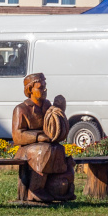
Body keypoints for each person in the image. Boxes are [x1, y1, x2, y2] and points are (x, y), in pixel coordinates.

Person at [12, 73, 74, 203]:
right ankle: (35, 190)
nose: (44, 90)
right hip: (27, 149)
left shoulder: (47, 106)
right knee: (44, 150)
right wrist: (39, 136)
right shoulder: (21, 109)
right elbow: (17, 136)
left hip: (45, 145)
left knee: (58, 149)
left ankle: (56, 188)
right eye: (40, 87)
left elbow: (53, 122)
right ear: (30, 90)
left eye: (45, 87)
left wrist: (60, 109)